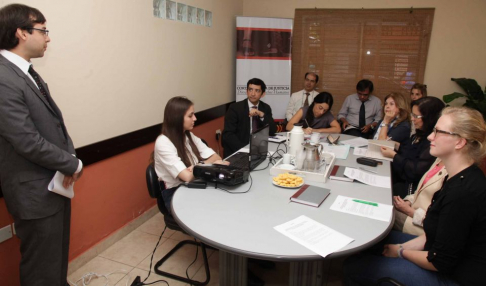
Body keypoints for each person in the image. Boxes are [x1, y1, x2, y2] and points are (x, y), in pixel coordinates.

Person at [344, 106, 486, 286]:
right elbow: (437, 235)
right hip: (438, 252)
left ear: (459, 142)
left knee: (354, 267)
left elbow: (439, 261)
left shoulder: (463, 192)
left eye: (439, 132)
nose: (430, 137)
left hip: (454, 276)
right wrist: (400, 248)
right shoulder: (457, 176)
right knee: (371, 244)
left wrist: (400, 252)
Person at [0, 4, 83, 286]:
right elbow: (26, 139)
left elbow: (55, 124)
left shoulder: (26, 73)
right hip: (34, 193)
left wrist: (69, 156)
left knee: (55, 262)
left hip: (53, 183)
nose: (48, 38)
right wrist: (72, 163)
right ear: (21, 32)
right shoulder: (3, 77)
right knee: (41, 271)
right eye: (43, 30)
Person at [154, 96, 227, 212]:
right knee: (211, 209)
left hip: (195, 182)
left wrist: (198, 166)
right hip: (175, 192)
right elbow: (187, 177)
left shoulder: (188, 135)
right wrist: (204, 166)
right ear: (177, 118)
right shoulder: (163, 142)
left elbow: (217, 157)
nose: (195, 118)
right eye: (190, 115)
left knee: (222, 198)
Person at [380, 97, 445, 197]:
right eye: (412, 114)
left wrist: (394, 156)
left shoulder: (432, 143)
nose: (412, 118)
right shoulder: (418, 135)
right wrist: (398, 147)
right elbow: (409, 153)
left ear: (429, 118)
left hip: (411, 189)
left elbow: (415, 171)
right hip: (399, 179)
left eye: (416, 116)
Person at [222, 78, 276, 158]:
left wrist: (262, 115)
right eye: (250, 90)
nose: (253, 94)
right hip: (239, 150)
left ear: (263, 94)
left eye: (257, 91)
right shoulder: (235, 108)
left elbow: (272, 131)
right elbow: (228, 135)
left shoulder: (265, 108)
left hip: (259, 150)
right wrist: (246, 150)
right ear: (247, 91)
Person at [393, 158, 447, 235]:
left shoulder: (453, 174)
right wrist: (408, 201)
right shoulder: (439, 160)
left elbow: (436, 222)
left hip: (421, 227)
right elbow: (420, 191)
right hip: (412, 212)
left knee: (385, 212)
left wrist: (408, 210)